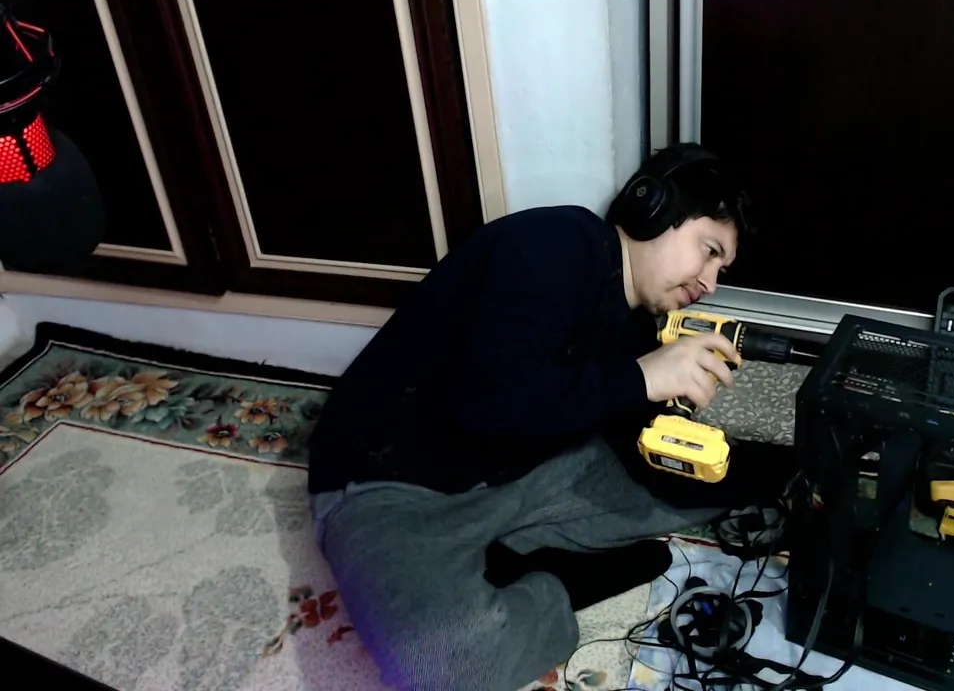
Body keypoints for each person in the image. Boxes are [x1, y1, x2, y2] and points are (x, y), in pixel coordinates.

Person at [306, 143, 797, 690]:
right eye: (709, 251)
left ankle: (508, 554)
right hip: (395, 486)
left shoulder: (636, 321)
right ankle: (559, 581)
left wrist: (775, 464)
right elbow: (487, 398)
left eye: (720, 269)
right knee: (442, 668)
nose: (710, 282)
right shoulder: (555, 243)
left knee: (691, 487)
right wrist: (642, 378)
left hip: (524, 468)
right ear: (654, 206)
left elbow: (616, 431)